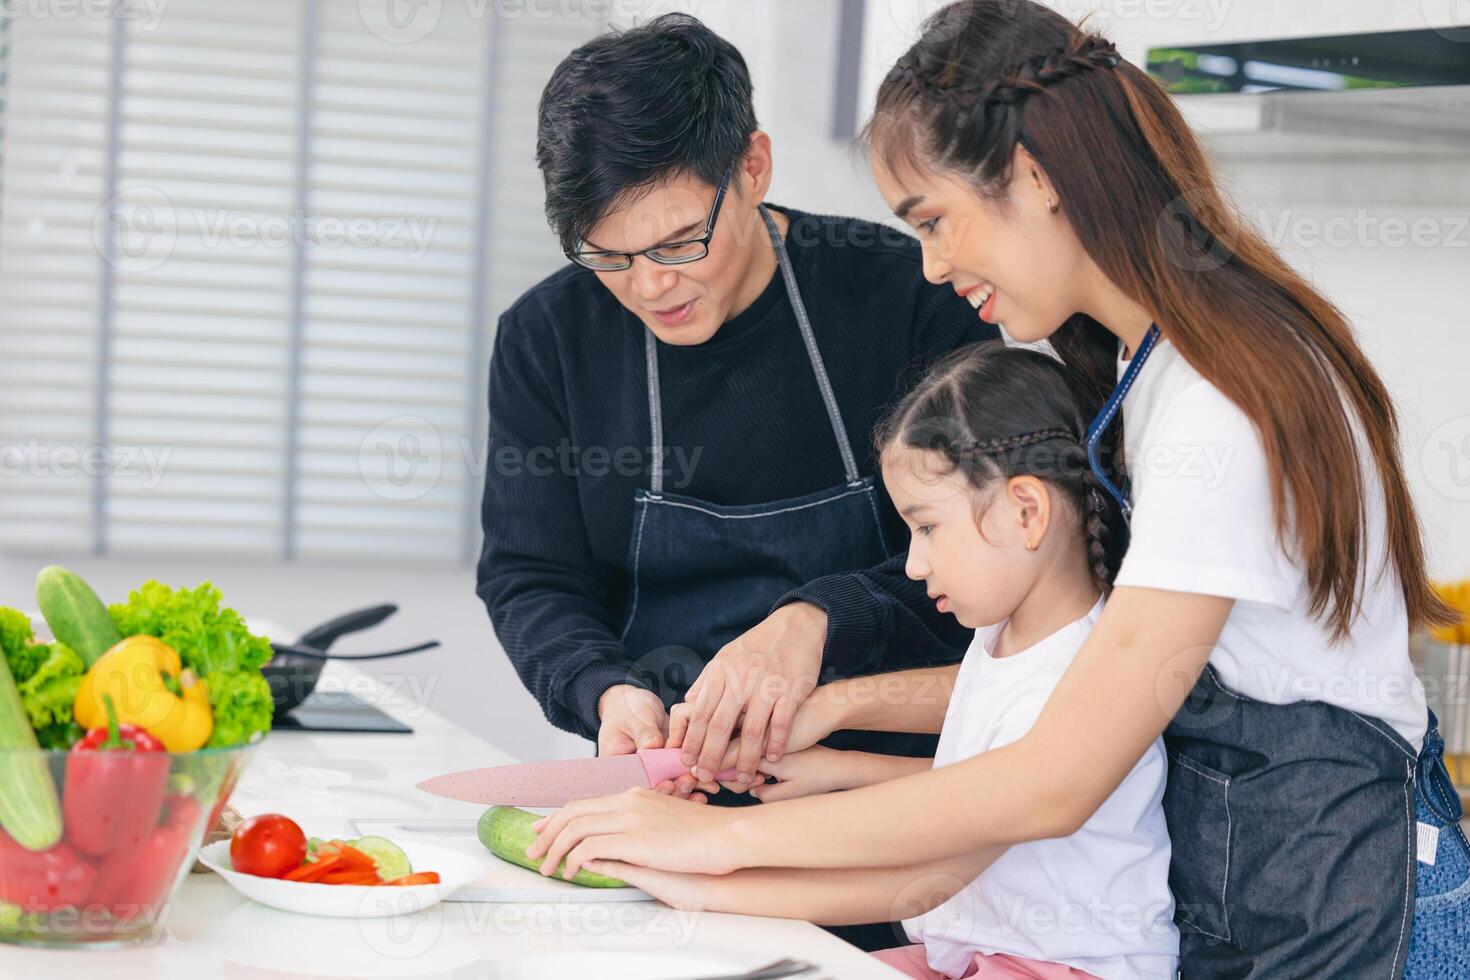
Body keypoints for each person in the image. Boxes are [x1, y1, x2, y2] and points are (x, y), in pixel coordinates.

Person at [525, 2, 1468, 975]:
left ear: (1031, 177)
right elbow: (1078, 684)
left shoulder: (1220, 405)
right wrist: (840, 710)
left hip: (1367, 917)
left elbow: (1052, 776)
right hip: (1259, 905)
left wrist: (712, 842)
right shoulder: (1139, 379)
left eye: (934, 220)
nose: (932, 264)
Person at [477, 14, 989, 792]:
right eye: (609, 256)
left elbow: (992, 550)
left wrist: (815, 621)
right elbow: (531, 573)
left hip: (880, 785)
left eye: (681, 242)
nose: (651, 286)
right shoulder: (548, 338)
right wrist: (605, 691)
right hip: (668, 782)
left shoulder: (910, 300)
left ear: (753, 169)